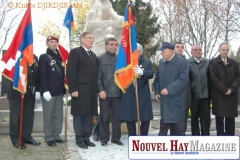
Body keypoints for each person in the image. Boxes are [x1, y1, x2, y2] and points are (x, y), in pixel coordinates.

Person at [66, 32, 98, 149]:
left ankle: (86, 137)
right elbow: (71, 72)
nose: (92, 40)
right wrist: (73, 89)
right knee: (79, 115)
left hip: (91, 91)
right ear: (82, 40)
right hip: (79, 90)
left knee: (89, 115)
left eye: (93, 38)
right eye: (89, 38)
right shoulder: (75, 52)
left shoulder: (94, 55)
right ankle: (79, 139)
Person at [118, 43, 154, 136]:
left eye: (135, 51)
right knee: (129, 116)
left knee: (146, 116)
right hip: (129, 92)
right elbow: (119, 76)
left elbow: (150, 74)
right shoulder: (125, 62)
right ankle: (132, 135)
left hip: (142, 92)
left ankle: (143, 136)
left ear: (140, 53)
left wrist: (142, 72)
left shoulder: (147, 62)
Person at [154, 42, 189, 135]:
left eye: (163, 51)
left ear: (170, 51)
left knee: (178, 130)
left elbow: (183, 79)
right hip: (165, 101)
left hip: (176, 100)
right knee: (163, 128)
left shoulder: (182, 62)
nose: (161, 53)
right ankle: (161, 148)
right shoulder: (161, 62)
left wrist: (169, 89)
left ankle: (179, 148)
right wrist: (157, 92)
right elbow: (157, 79)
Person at [8, 55, 41, 149]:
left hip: (30, 93)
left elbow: (37, 75)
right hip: (16, 92)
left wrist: (38, 89)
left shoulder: (34, 56)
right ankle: (15, 139)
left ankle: (27, 137)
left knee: (29, 116)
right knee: (15, 117)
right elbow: (10, 71)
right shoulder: (15, 55)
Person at [38, 36, 66, 147]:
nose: (54, 44)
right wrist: (44, 90)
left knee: (59, 114)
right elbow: (42, 75)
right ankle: (49, 136)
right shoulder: (44, 57)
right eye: (51, 42)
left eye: (55, 42)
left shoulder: (61, 57)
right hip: (49, 91)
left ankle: (56, 134)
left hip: (59, 91)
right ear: (47, 44)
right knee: (48, 115)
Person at [209, 42, 240, 135]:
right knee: (219, 119)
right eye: (223, 49)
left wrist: (231, 89)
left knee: (230, 119)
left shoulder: (234, 63)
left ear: (229, 51)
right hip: (219, 96)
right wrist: (224, 90)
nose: (225, 51)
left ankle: (230, 140)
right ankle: (220, 139)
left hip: (231, 95)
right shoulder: (213, 62)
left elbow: (238, 77)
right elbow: (213, 79)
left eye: (227, 50)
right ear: (219, 50)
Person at [98, 37, 123, 146]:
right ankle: (104, 139)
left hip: (118, 94)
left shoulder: (120, 59)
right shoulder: (100, 59)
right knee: (104, 117)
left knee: (117, 117)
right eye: (111, 44)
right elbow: (98, 77)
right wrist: (101, 90)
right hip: (105, 93)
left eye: (115, 45)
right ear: (106, 46)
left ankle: (116, 138)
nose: (114, 47)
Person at [187, 45, 211, 135]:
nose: (198, 51)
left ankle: (205, 137)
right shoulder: (187, 63)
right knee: (194, 118)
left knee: (205, 119)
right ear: (191, 52)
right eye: (195, 50)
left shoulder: (207, 62)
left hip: (205, 95)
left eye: (199, 50)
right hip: (194, 96)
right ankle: (195, 137)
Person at [170, 42, 191, 135]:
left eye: (182, 47)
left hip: (184, 98)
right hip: (172, 98)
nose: (180, 49)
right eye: (177, 47)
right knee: (173, 125)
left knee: (183, 124)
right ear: (173, 49)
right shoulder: (167, 62)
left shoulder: (186, 62)